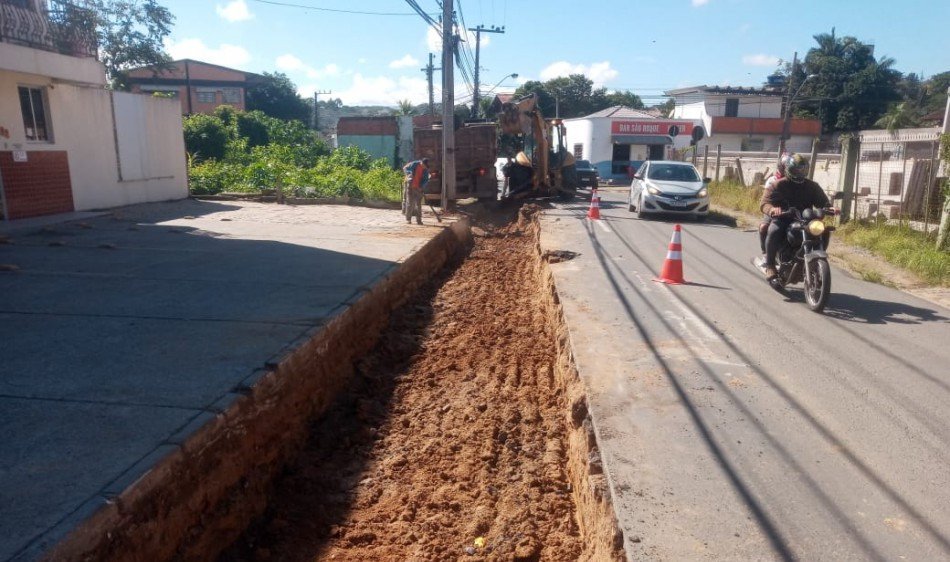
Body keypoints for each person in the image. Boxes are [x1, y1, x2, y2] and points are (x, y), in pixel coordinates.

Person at [760, 153, 830, 280]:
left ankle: (815, 258)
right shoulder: (778, 185)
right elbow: (764, 203)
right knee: (774, 230)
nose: (799, 172)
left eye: (802, 169)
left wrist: (830, 208)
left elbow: (823, 202)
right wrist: (772, 209)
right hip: (784, 218)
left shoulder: (812, 186)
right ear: (789, 169)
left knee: (823, 230)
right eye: (796, 169)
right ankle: (770, 265)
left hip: (805, 219)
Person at [758, 156, 787, 254]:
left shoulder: (798, 181)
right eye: (786, 166)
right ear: (781, 167)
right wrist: (771, 209)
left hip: (790, 210)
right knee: (764, 227)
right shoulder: (772, 180)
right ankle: (765, 252)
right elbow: (766, 200)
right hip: (773, 209)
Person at [402, 157, 429, 225]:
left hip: (418, 188)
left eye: (425, 166)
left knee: (418, 204)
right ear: (421, 163)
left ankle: (419, 220)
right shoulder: (414, 164)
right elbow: (405, 168)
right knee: (410, 203)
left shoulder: (425, 170)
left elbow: (426, 180)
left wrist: (422, 187)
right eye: (423, 165)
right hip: (410, 186)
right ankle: (408, 219)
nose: (424, 167)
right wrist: (409, 174)